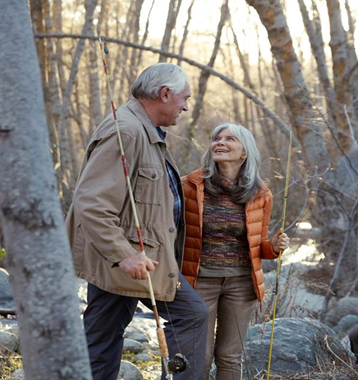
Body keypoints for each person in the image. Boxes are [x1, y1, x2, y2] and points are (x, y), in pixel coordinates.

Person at [66, 63, 208, 380]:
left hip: (135, 257)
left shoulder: (144, 130)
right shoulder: (127, 131)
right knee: (191, 315)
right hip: (129, 258)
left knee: (101, 337)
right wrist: (124, 254)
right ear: (165, 93)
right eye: (184, 98)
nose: (186, 106)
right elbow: (91, 201)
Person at [181, 123, 290, 379]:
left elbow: (258, 245)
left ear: (244, 152)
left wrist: (273, 248)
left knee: (230, 356)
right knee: (200, 355)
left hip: (241, 284)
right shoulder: (189, 185)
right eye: (216, 138)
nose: (220, 142)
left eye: (230, 139)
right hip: (199, 282)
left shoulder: (260, 193)